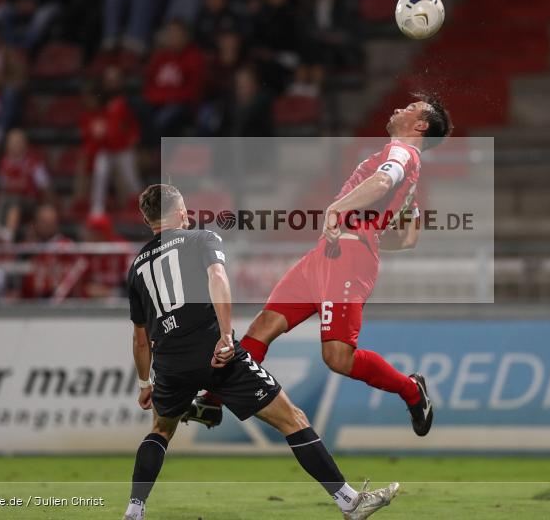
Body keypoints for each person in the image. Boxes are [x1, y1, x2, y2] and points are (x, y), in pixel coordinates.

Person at [122, 183, 399, 520]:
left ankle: (134, 511)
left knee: (161, 430)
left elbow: (139, 337)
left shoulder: (136, 267)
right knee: (292, 419)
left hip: (168, 362)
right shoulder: (202, 239)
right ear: (181, 212)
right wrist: (226, 335)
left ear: (148, 220)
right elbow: (218, 278)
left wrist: (144, 383)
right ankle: (349, 502)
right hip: (215, 354)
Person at [200, 94, 453, 436]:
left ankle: (412, 390)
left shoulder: (403, 153)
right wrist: (369, 233)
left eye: (410, 109)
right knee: (263, 327)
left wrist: (341, 214)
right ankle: (212, 400)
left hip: (346, 259)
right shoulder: (408, 170)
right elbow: (408, 239)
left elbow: (381, 183)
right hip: (326, 256)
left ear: (420, 125)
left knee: (337, 358)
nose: (398, 108)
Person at [83, 64, 142, 216]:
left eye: (114, 79)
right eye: (109, 79)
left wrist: (133, 139)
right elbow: (91, 122)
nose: (111, 82)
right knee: (100, 175)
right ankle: (97, 211)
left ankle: (147, 209)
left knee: (131, 181)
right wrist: (95, 128)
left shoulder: (127, 101)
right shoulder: (99, 99)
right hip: (104, 148)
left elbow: (134, 124)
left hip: (122, 148)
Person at [142, 20, 205, 139]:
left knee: (163, 118)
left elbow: (192, 92)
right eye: (170, 33)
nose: (173, 37)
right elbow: (148, 83)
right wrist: (157, 97)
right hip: (156, 102)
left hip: (180, 106)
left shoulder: (194, 58)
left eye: (177, 34)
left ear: (186, 37)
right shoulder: (160, 56)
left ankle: (156, 154)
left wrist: (163, 97)